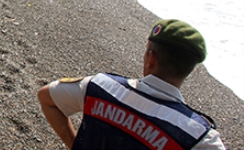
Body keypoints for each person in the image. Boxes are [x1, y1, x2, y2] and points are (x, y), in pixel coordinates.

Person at [37, 19, 225, 149]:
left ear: (151, 59)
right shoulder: (197, 136)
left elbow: (46, 97)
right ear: (189, 69)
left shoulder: (101, 87)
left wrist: (75, 144)